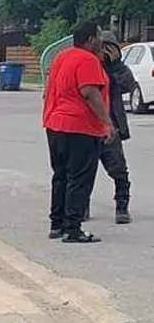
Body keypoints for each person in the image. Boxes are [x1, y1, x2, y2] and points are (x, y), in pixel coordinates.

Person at [42, 20, 114, 243]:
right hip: (79, 127)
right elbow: (90, 92)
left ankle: (57, 224)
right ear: (90, 39)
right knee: (79, 178)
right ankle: (72, 228)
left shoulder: (62, 57)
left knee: (61, 176)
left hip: (55, 124)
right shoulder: (87, 60)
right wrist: (107, 123)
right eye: (99, 36)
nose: (102, 40)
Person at [99, 31, 136, 224]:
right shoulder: (89, 65)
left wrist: (116, 64)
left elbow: (128, 85)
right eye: (102, 47)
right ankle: (81, 207)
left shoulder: (117, 69)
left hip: (111, 126)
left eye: (109, 48)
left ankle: (122, 205)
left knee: (118, 169)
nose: (104, 52)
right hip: (87, 125)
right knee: (82, 171)